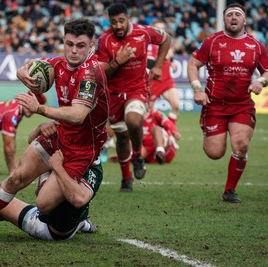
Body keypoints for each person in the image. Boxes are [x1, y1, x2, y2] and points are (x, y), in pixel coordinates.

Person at [0, 18, 109, 243]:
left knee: (43, 203)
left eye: (80, 45)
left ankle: (72, 209)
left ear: (91, 46)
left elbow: (78, 115)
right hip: (59, 134)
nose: (73, 50)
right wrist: (21, 72)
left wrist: (40, 109)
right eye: (69, 44)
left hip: (82, 149)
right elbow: (31, 64)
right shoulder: (59, 64)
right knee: (16, 177)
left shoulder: (91, 74)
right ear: (63, 42)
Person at [187, 3, 268, 203]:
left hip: (241, 105)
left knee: (241, 146)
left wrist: (260, 81)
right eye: (229, 14)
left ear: (244, 20)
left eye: (237, 15)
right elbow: (192, 64)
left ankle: (229, 191)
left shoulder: (256, 45)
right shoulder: (212, 42)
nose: (233, 18)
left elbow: (267, 70)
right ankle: (208, 128)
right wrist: (197, 89)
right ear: (224, 19)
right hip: (214, 105)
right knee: (215, 152)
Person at [95, 3, 171, 191]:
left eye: (121, 21)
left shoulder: (143, 33)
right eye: (114, 22)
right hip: (113, 94)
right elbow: (100, 72)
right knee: (121, 138)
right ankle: (126, 178)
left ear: (128, 18)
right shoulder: (105, 40)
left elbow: (166, 39)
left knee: (134, 121)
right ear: (109, 22)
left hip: (137, 88)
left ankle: (137, 155)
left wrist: (159, 66)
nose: (118, 26)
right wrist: (117, 62)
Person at [147, 20, 180, 126]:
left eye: (163, 28)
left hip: (166, 81)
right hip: (153, 82)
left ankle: (169, 132)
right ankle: (151, 134)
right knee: (148, 112)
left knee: (176, 105)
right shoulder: (149, 44)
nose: (161, 31)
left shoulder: (166, 42)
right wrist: (165, 56)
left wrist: (172, 61)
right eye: (158, 29)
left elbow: (170, 55)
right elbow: (149, 61)